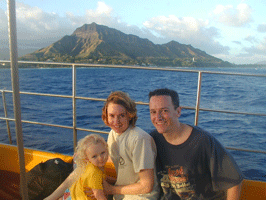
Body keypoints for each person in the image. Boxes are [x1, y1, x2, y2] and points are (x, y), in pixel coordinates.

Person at [148, 88, 244, 200]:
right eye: (153, 112)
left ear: (178, 111)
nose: (158, 117)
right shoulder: (152, 140)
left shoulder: (202, 141)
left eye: (164, 111)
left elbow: (234, 182)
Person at [102, 91, 159, 200]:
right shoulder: (112, 134)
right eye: (112, 116)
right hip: (121, 194)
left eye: (122, 115)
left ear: (129, 115)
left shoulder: (139, 139)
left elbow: (146, 186)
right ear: (106, 116)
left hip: (141, 197)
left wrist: (110, 190)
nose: (116, 121)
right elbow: (111, 167)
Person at [44, 134, 110, 200]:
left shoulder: (91, 166)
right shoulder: (94, 173)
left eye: (103, 153)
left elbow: (103, 178)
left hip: (71, 195)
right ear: (87, 158)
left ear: (107, 150)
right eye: (94, 156)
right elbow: (99, 196)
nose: (101, 158)